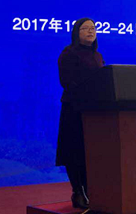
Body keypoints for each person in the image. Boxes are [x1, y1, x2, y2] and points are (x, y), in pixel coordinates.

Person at [55, 18, 104, 209]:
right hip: (74, 109)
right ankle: (78, 191)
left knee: (91, 152)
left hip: (94, 111)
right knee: (74, 151)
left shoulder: (98, 56)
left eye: (93, 28)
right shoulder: (69, 53)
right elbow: (67, 81)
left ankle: (92, 190)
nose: (91, 31)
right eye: (86, 28)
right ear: (76, 32)